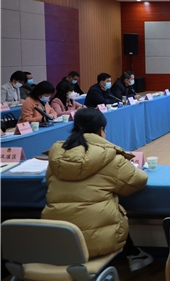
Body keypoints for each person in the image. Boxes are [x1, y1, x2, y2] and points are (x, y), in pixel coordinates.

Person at [41, 108, 153, 271]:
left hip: (57, 240)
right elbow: (138, 180)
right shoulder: (110, 157)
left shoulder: (56, 157)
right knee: (112, 210)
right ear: (101, 130)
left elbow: (48, 182)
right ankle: (133, 254)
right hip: (96, 242)